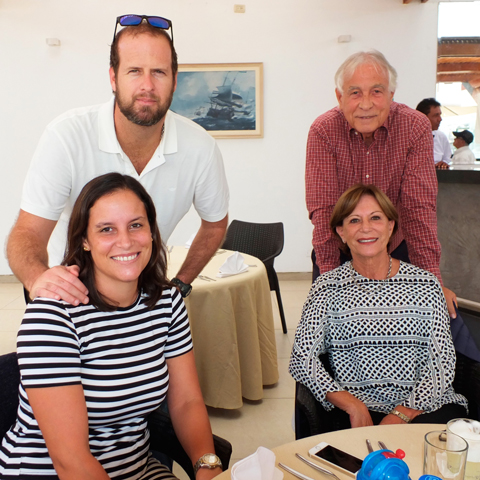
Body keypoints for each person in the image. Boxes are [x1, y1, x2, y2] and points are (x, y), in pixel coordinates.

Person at [0, 173, 223, 480]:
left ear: (152, 232)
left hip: (136, 469)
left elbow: (186, 402)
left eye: (136, 225)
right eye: (107, 229)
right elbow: (71, 461)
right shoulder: (54, 316)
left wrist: (207, 465)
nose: (126, 241)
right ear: (84, 241)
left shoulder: (166, 303)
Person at [6, 15, 229, 306]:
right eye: (134, 71)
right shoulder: (65, 136)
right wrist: (38, 278)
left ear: (175, 81)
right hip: (71, 294)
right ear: (113, 77)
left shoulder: (201, 148)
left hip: (145, 297)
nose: (147, 85)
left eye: (159, 72)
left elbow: (214, 224)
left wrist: (180, 283)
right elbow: (27, 232)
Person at [290, 184, 467, 430]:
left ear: (391, 226)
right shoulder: (326, 288)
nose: (366, 228)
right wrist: (354, 406)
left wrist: (401, 414)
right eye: (354, 220)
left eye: (376, 218)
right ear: (341, 231)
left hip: (426, 407)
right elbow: (301, 358)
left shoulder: (425, 284)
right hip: (357, 414)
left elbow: (443, 363)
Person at [305, 50, 457, 317]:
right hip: (340, 249)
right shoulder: (323, 130)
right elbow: (324, 213)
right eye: (354, 93)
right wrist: (327, 286)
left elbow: (419, 210)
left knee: (413, 326)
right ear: (340, 97)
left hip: (396, 248)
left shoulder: (414, 126)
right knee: (336, 332)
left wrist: (433, 283)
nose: (366, 104)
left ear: (391, 94)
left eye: (376, 91)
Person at [416, 97, 452, 170]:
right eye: (436, 115)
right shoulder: (409, 136)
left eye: (440, 115)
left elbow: (448, 158)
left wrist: (444, 163)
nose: (440, 119)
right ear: (423, 117)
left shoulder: (441, 136)